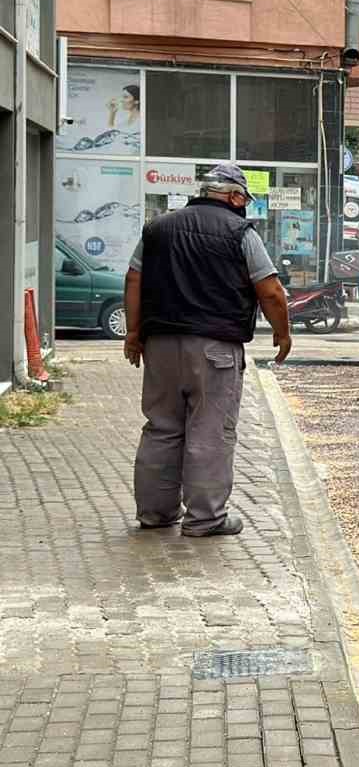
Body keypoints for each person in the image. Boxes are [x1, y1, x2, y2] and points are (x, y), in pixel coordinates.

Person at [123, 163, 292, 538]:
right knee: (210, 431)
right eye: (244, 199)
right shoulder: (241, 233)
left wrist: (133, 333)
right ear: (235, 197)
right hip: (215, 348)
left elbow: (134, 278)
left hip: (160, 345)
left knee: (161, 428)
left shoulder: (157, 228)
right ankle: (205, 518)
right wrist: (283, 333)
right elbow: (270, 291)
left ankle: (155, 513)